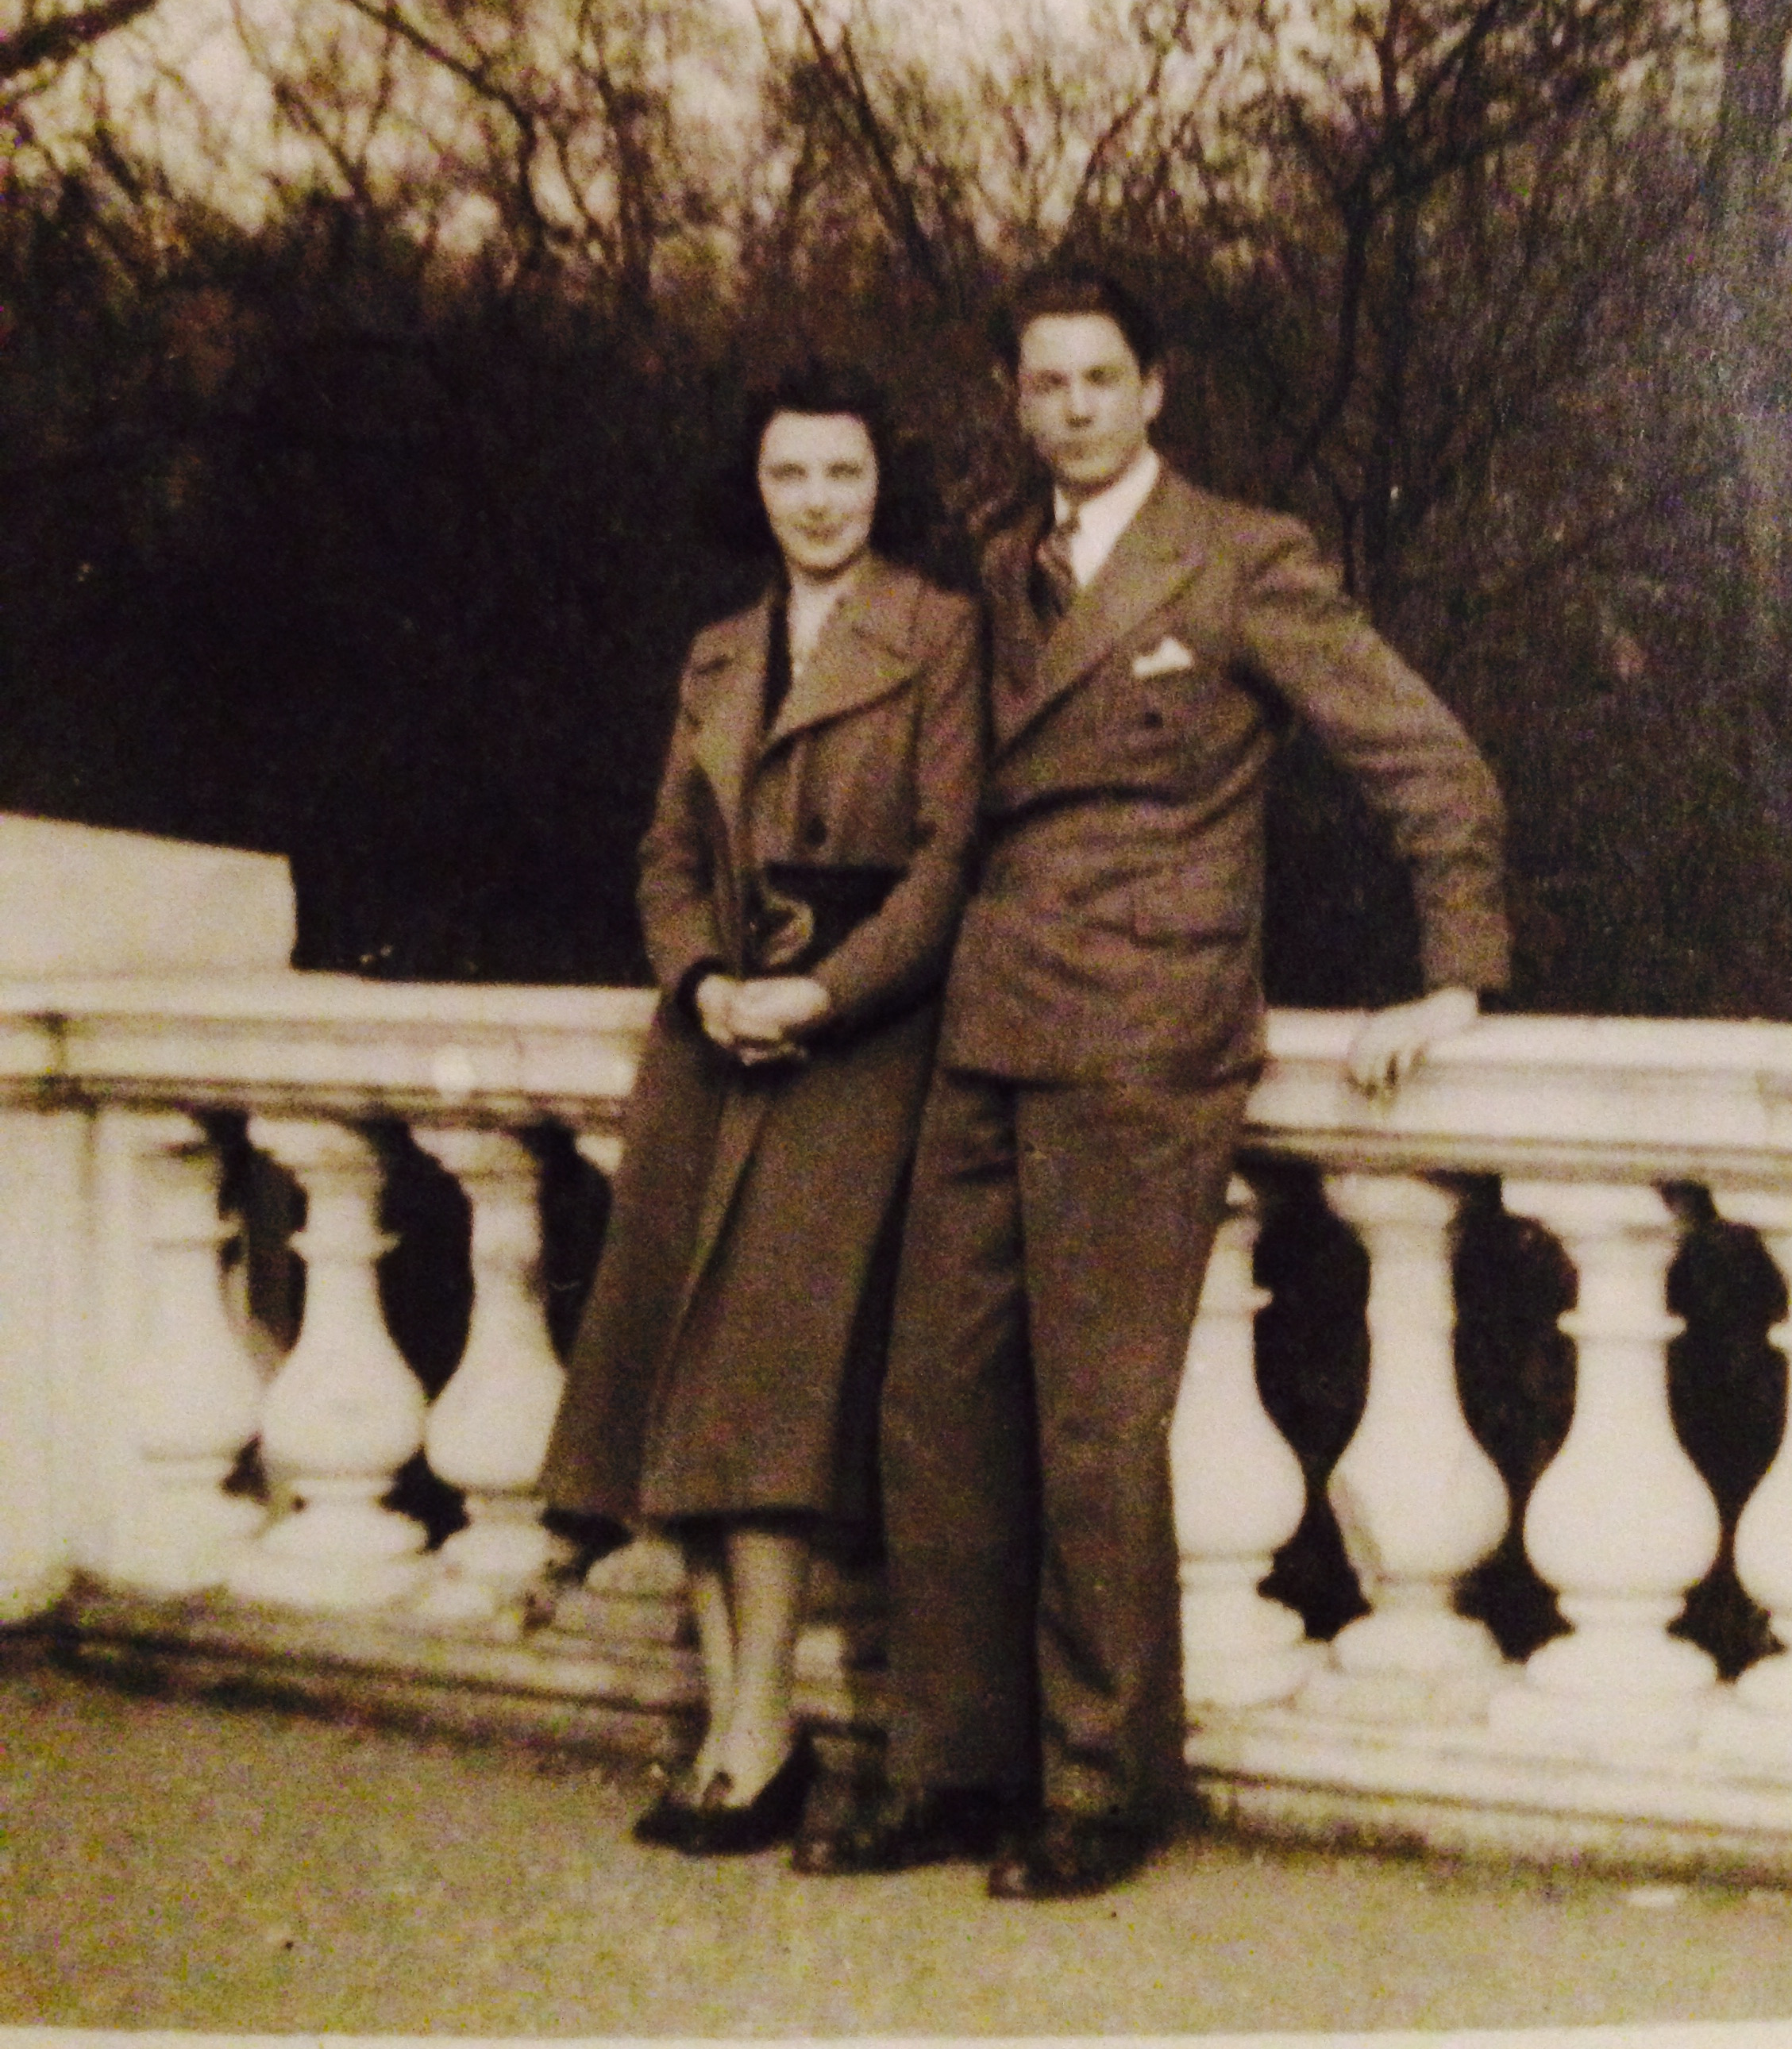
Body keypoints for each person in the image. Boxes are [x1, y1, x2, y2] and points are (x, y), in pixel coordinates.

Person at [793, 270, 1510, 1900]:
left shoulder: (1241, 558)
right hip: (991, 1014)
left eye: (1101, 380)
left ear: (1154, 389)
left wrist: (1454, 974)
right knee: (934, 1403)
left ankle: (1103, 1785)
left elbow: (1428, 760)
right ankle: (952, 1769)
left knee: (1097, 1422)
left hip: (1148, 1024)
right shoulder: (999, 571)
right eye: (1046, 384)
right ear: (1016, 398)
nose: (1074, 409)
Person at [539, 360, 982, 1856]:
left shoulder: (939, 635)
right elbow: (668, 856)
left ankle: (761, 1732)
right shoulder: (721, 652)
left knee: (768, 1384)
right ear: (756, 488)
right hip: (713, 1051)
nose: (818, 501)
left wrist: (823, 995)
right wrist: (704, 980)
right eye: (790, 474)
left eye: (844, 472)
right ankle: (740, 1733)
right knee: (678, 1371)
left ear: (882, 483)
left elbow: (951, 863)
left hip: (852, 1049)